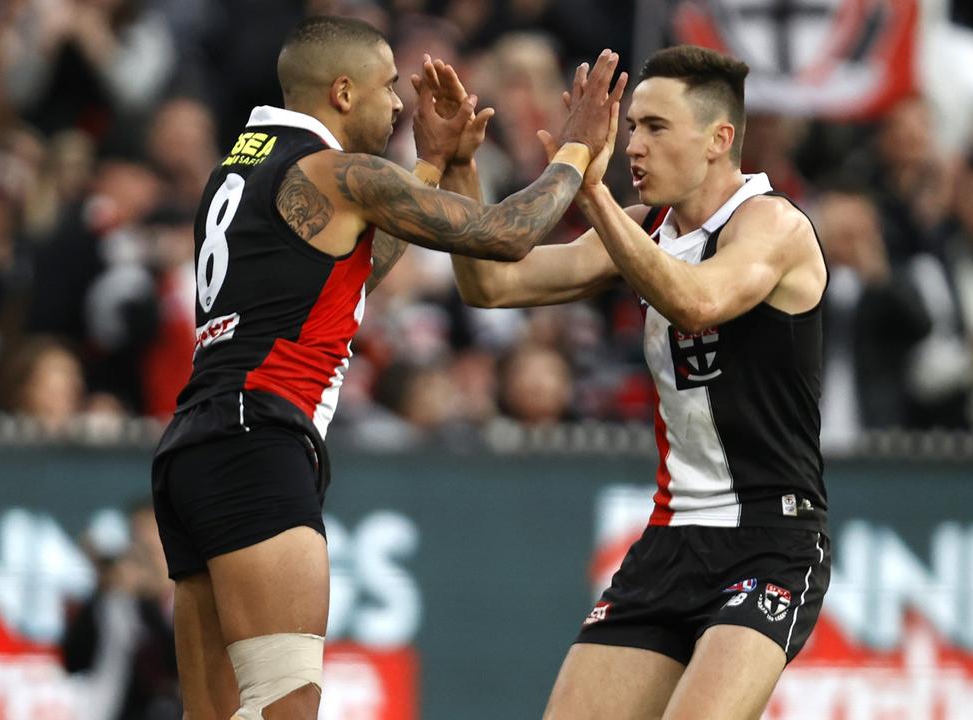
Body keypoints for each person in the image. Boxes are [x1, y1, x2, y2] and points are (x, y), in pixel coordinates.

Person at [149, 15, 624, 720]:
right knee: (284, 708)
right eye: (385, 88)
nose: (400, 106)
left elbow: (342, 283)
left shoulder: (243, 169)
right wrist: (577, 152)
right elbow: (508, 234)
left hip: (191, 452)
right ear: (342, 92)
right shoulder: (336, 170)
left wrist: (428, 168)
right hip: (259, 446)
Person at [446, 45, 831, 719]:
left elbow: (698, 301)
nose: (634, 146)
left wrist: (590, 193)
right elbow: (491, 284)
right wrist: (457, 167)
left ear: (719, 139)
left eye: (655, 127)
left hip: (770, 541)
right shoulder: (643, 226)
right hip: (670, 540)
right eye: (630, 129)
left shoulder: (773, 225)